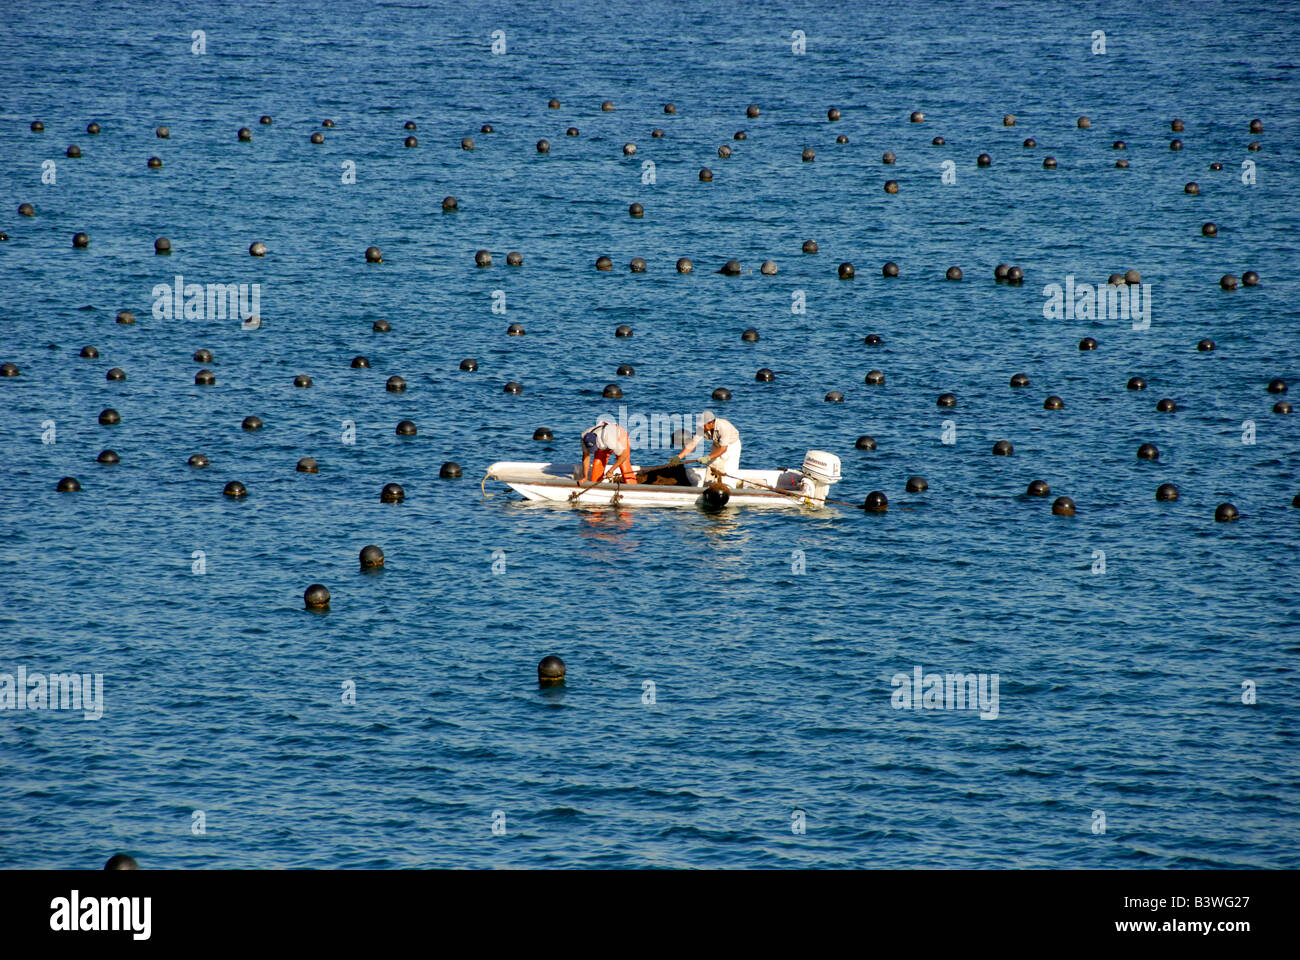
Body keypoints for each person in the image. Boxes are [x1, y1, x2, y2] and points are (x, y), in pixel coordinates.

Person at [672, 411, 742, 486]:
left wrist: (707, 457)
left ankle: (730, 486)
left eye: (703, 425)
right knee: (712, 466)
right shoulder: (702, 429)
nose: (701, 427)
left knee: (728, 468)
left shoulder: (723, 427)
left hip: (731, 446)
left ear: (711, 423)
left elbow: (723, 449)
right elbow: (692, 444)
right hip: (717, 444)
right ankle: (708, 485)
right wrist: (678, 457)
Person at [579, 420, 637, 484]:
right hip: (603, 439)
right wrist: (585, 477)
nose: (595, 450)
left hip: (619, 437)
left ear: (598, 442)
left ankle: (632, 484)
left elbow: (624, 456)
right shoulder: (584, 438)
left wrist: (611, 471)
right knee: (597, 463)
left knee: (624, 464)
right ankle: (596, 485)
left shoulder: (609, 441)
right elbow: (586, 458)